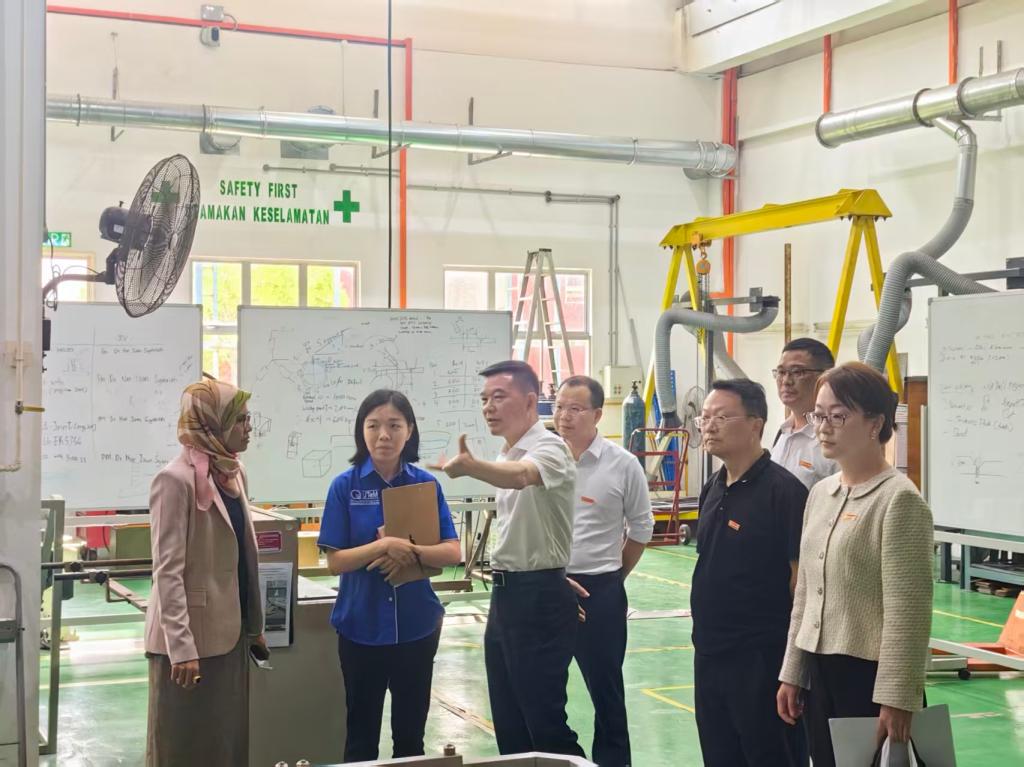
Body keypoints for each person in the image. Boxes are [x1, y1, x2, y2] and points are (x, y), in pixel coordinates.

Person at [777, 363, 933, 767]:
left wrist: (897, 696)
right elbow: (805, 594)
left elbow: (908, 610)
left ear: (875, 424)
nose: (823, 428)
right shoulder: (821, 494)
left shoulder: (898, 500)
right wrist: (793, 671)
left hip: (870, 677)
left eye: (838, 416)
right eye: (819, 416)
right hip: (820, 671)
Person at [434, 360, 585, 757]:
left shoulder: (550, 448)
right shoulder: (507, 453)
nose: (489, 407)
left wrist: (471, 468)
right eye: (484, 399)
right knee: (510, 721)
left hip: (536, 596)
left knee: (544, 724)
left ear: (531, 401)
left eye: (499, 397)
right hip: (509, 594)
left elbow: (522, 476)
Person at [318, 389, 462, 763]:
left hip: (417, 627)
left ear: (409, 431)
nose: (384, 435)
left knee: (411, 740)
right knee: (361, 738)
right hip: (360, 628)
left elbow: (452, 552)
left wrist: (409, 551)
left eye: (395, 426)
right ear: (361, 431)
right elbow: (336, 562)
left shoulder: (425, 485)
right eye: (374, 426)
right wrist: (382, 546)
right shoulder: (345, 487)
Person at [144, 379, 266, 766]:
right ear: (213, 424)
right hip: (188, 644)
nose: (249, 427)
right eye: (240, 419)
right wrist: (181, 649)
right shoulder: (174, 480)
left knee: (226, 743)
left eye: (248, 418)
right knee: (183, 746)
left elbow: (243, 558)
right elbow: (168, 571)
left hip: (231, 634)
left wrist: (254, 625)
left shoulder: (233, 473)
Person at [690, 379, 808, 767]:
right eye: (705, 417)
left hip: (761, 660)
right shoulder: (713, 486)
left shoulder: (784, 493)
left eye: (721, 417)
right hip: (710, 653)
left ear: (755, 424)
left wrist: (793, 670)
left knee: (769, 755)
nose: (709, 426)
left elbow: (800, 586)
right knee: (720, 755)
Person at [554, 375, 654, 767]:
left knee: (606, 691)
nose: (564, 416)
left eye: (575, 408)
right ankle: (566, 758)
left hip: (600, 590)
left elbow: (641, 528)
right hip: (549, 586)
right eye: (559, 407)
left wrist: (614, 578)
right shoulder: (544, 460)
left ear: (597, 415)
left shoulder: (622, 464)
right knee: (545, 689)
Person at [770, 338, 837, 490]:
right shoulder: (783, 433)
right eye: (781, 372)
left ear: (824, 377)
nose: (786, 381)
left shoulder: (835, 437)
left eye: (797, 372)